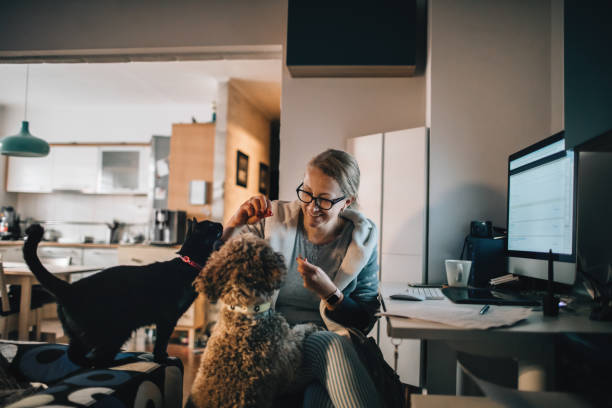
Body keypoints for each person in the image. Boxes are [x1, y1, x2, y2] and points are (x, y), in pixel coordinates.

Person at [221, 149, 382, 408]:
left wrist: (332, 295)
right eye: (306, 193)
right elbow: (217, 264)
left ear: (347, 202)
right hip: (270, 344)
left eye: (324, 200)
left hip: (325, 349)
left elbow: (364, 320)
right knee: (329, 346)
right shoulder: (273, 221)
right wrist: (235, 222)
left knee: (320, 398)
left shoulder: (362, 242)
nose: (311, 207)